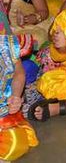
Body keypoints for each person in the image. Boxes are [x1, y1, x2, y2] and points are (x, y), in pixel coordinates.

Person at [0, 33, 39, 161]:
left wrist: (16, 96)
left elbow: (19, 72)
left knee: (14, 143)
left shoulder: (6, 45)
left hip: (3, 110)